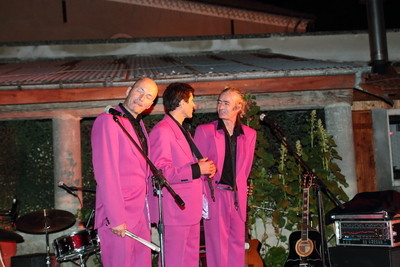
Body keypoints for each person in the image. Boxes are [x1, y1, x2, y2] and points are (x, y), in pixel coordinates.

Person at [91, 78, 158, 267]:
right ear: (129, 90)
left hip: (140, 214)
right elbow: (106, 173)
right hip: (119, 215)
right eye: (139, 91)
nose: (141, 98)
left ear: (150, 105)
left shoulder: (139, 125)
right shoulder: (108, 120)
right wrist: (116, 217)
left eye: (148, 97)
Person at [148, 82, 216, 267]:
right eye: (192, 101)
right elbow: (160, 172)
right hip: (175, 213)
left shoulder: (182, 130)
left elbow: (187, 164)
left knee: (190, 262)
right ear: (181, 102)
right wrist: (196, 169)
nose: (194, 105)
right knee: (175, 262)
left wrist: (204, 167)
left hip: (189, 211)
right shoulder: (162, 131)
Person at [194, 87, 256, 267]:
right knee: (217, 248)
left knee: (237, 245)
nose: (221, 107)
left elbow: (245, 169)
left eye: (226, 103)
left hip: (237, 196)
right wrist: (202, 197)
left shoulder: (249, 134)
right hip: (216, 195)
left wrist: (242, 190)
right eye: (219, 102)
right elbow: (198, 167)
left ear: (238, 107)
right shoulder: (205, 131)